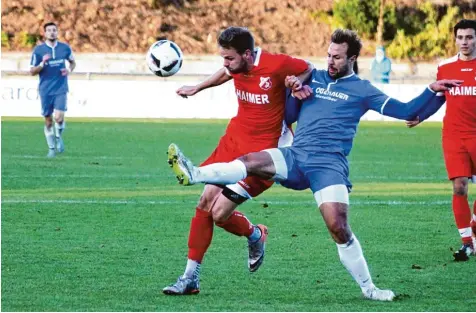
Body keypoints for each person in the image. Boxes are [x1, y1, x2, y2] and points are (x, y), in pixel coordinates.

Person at [167, 29, 461, 301]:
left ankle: (370, 289)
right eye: (329, 55)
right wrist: (293, 91)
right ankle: (196, 175)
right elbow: (289, 114)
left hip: (328, 166)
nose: (330, 61)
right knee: (246, 166)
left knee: (338, 227)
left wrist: (432, 90)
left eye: (337, 57)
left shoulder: (363, 90)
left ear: (352, 59)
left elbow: (407, 110)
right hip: (295, 156)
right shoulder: (314, 79)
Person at [162, 26, 313, 295]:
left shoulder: (276, 64)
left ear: (247, 54)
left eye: (230, 58)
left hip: (263, 157)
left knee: (220, 215)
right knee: (205, 204)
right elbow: (226, 73)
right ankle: (190, 278)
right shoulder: (236, 66)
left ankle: (255, 234)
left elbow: (308, 67)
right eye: (223, 58)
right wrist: (198, 87)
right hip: (233, 140)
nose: (226, 64)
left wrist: (296, 83)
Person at [405, 19, 476, 261]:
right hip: (454, 136)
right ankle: (467, 242)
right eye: (461, 37)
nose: (465, 42)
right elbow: (439, 98)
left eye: (469, 37)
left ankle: (473, 225)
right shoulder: (445, 68)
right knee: (459, 187)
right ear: (455, 39)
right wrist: (421, 116)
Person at [30, 22, 75, 158]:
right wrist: (42, 64)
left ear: (57, 32)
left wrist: (68, 70)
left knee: (59, 118)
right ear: (44, 33)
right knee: (49, 120)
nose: (52, 32)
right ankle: (51, 149)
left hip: (61, 87)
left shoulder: (65, 48)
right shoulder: (38, 51)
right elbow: (32, 71)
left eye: (54, 30)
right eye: (49, 30)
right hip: (45, 89)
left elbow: (73, 62)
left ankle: (58, 137)